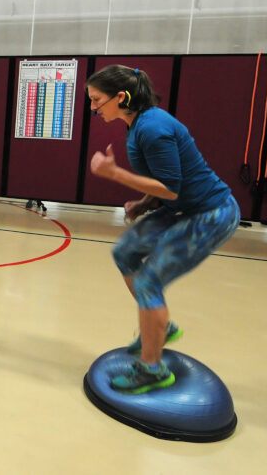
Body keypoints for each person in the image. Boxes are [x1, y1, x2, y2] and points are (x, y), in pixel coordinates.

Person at [87, 64, 240, 394]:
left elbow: (170, 187)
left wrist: (115, 174)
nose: (93, 107)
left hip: (210, 214)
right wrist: (144, 203)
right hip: (179, 207)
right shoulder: (138, 124)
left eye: (97, 100)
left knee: (148, 281)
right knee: (125, 253)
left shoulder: (152, 128)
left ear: (121, 97)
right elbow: (166, 183)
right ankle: (162, 327)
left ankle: (152, 370)